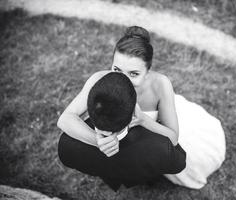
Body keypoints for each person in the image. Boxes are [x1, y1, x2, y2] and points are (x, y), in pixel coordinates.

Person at [57, 26, 226, 190]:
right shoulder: (99, 79)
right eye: (117, 69)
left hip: (147, 138)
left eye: (134, 74)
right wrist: (99, 141)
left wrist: (143, 120)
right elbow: (65, 119)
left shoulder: (160, 84)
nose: (123, 79)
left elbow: (173, 138)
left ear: (148, 71)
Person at [58, 72, 186, 191]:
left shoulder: (66, 146)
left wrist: (97, 141)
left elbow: (65, 120)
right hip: (140, 171)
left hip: (102, 168)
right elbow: (179, 163)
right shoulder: (161, 148)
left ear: (88, 108)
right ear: (134, 110)